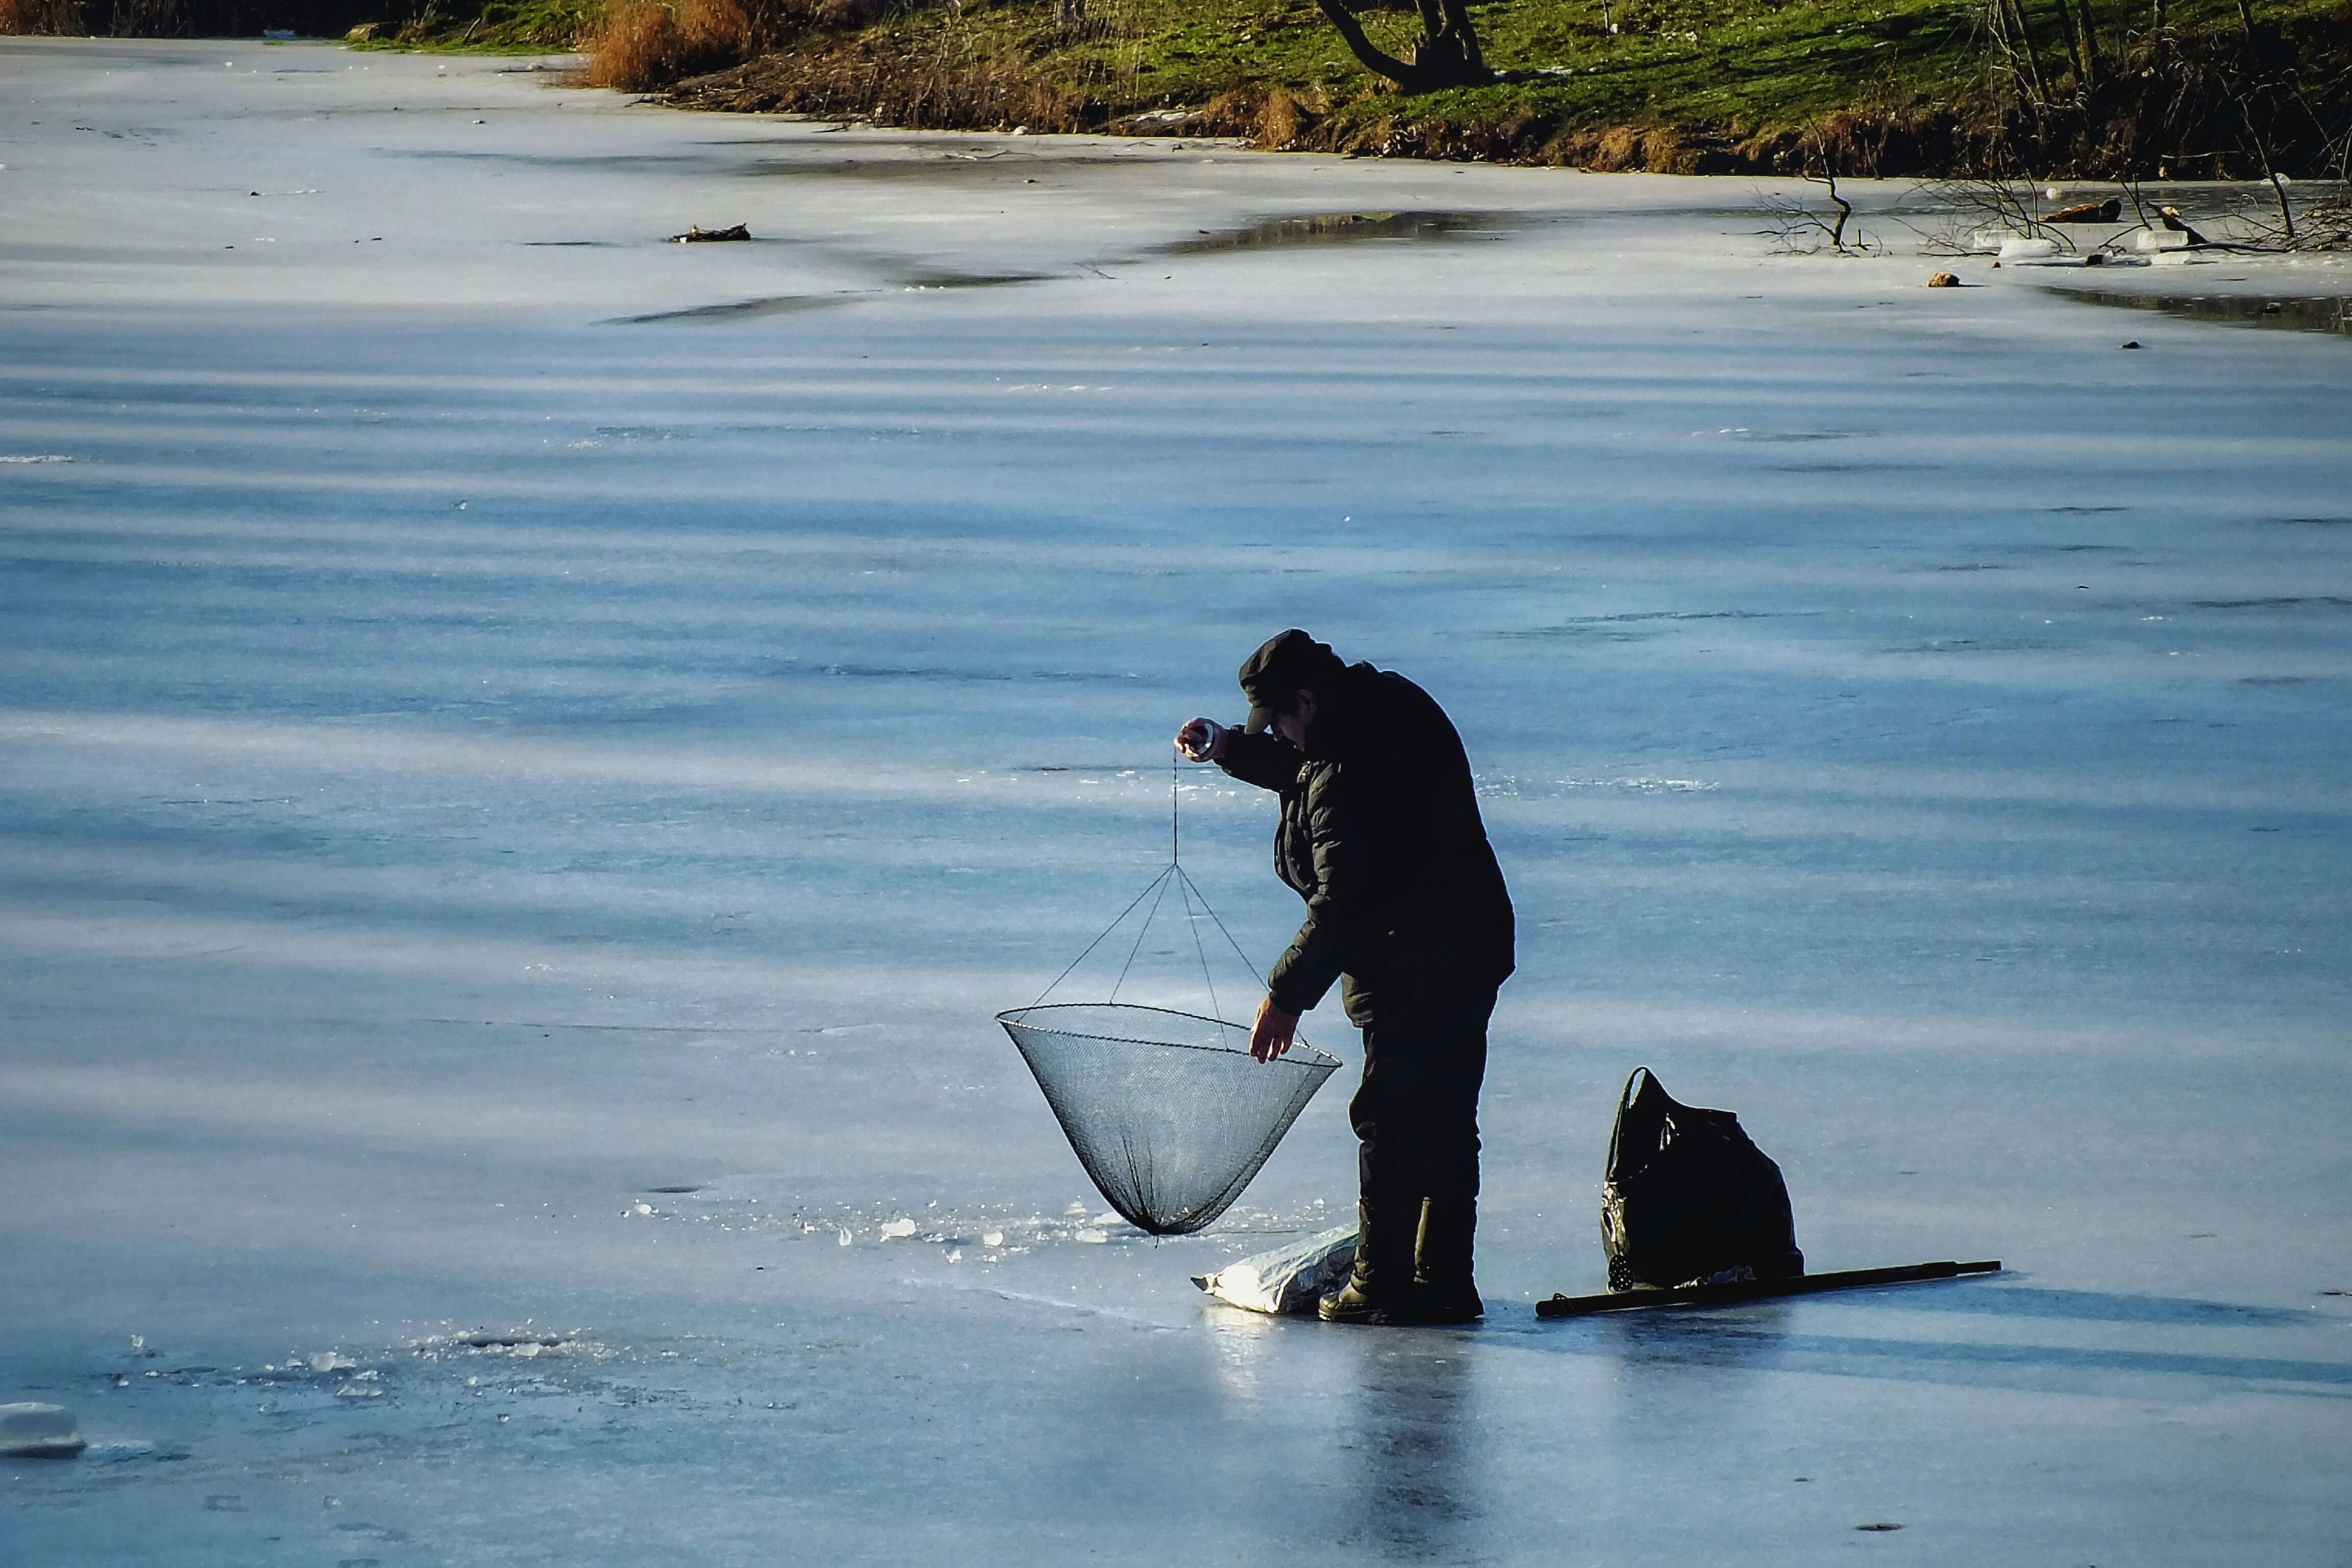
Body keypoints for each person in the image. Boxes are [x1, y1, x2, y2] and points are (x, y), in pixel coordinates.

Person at [1177, 630, 1513, 1325]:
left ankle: (1383, 1283)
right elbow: (1305, 767)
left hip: (1420, 957)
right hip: (1466, 944)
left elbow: (1344, 901)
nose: (1281, 736)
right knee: (1445, 1117)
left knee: (1391, 1118)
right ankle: (1444, 1281)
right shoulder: (1370, 710)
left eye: (1280, 721)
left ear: (1307, 699)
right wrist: (1228, 748)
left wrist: (1284, 997)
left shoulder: (1347, 762)